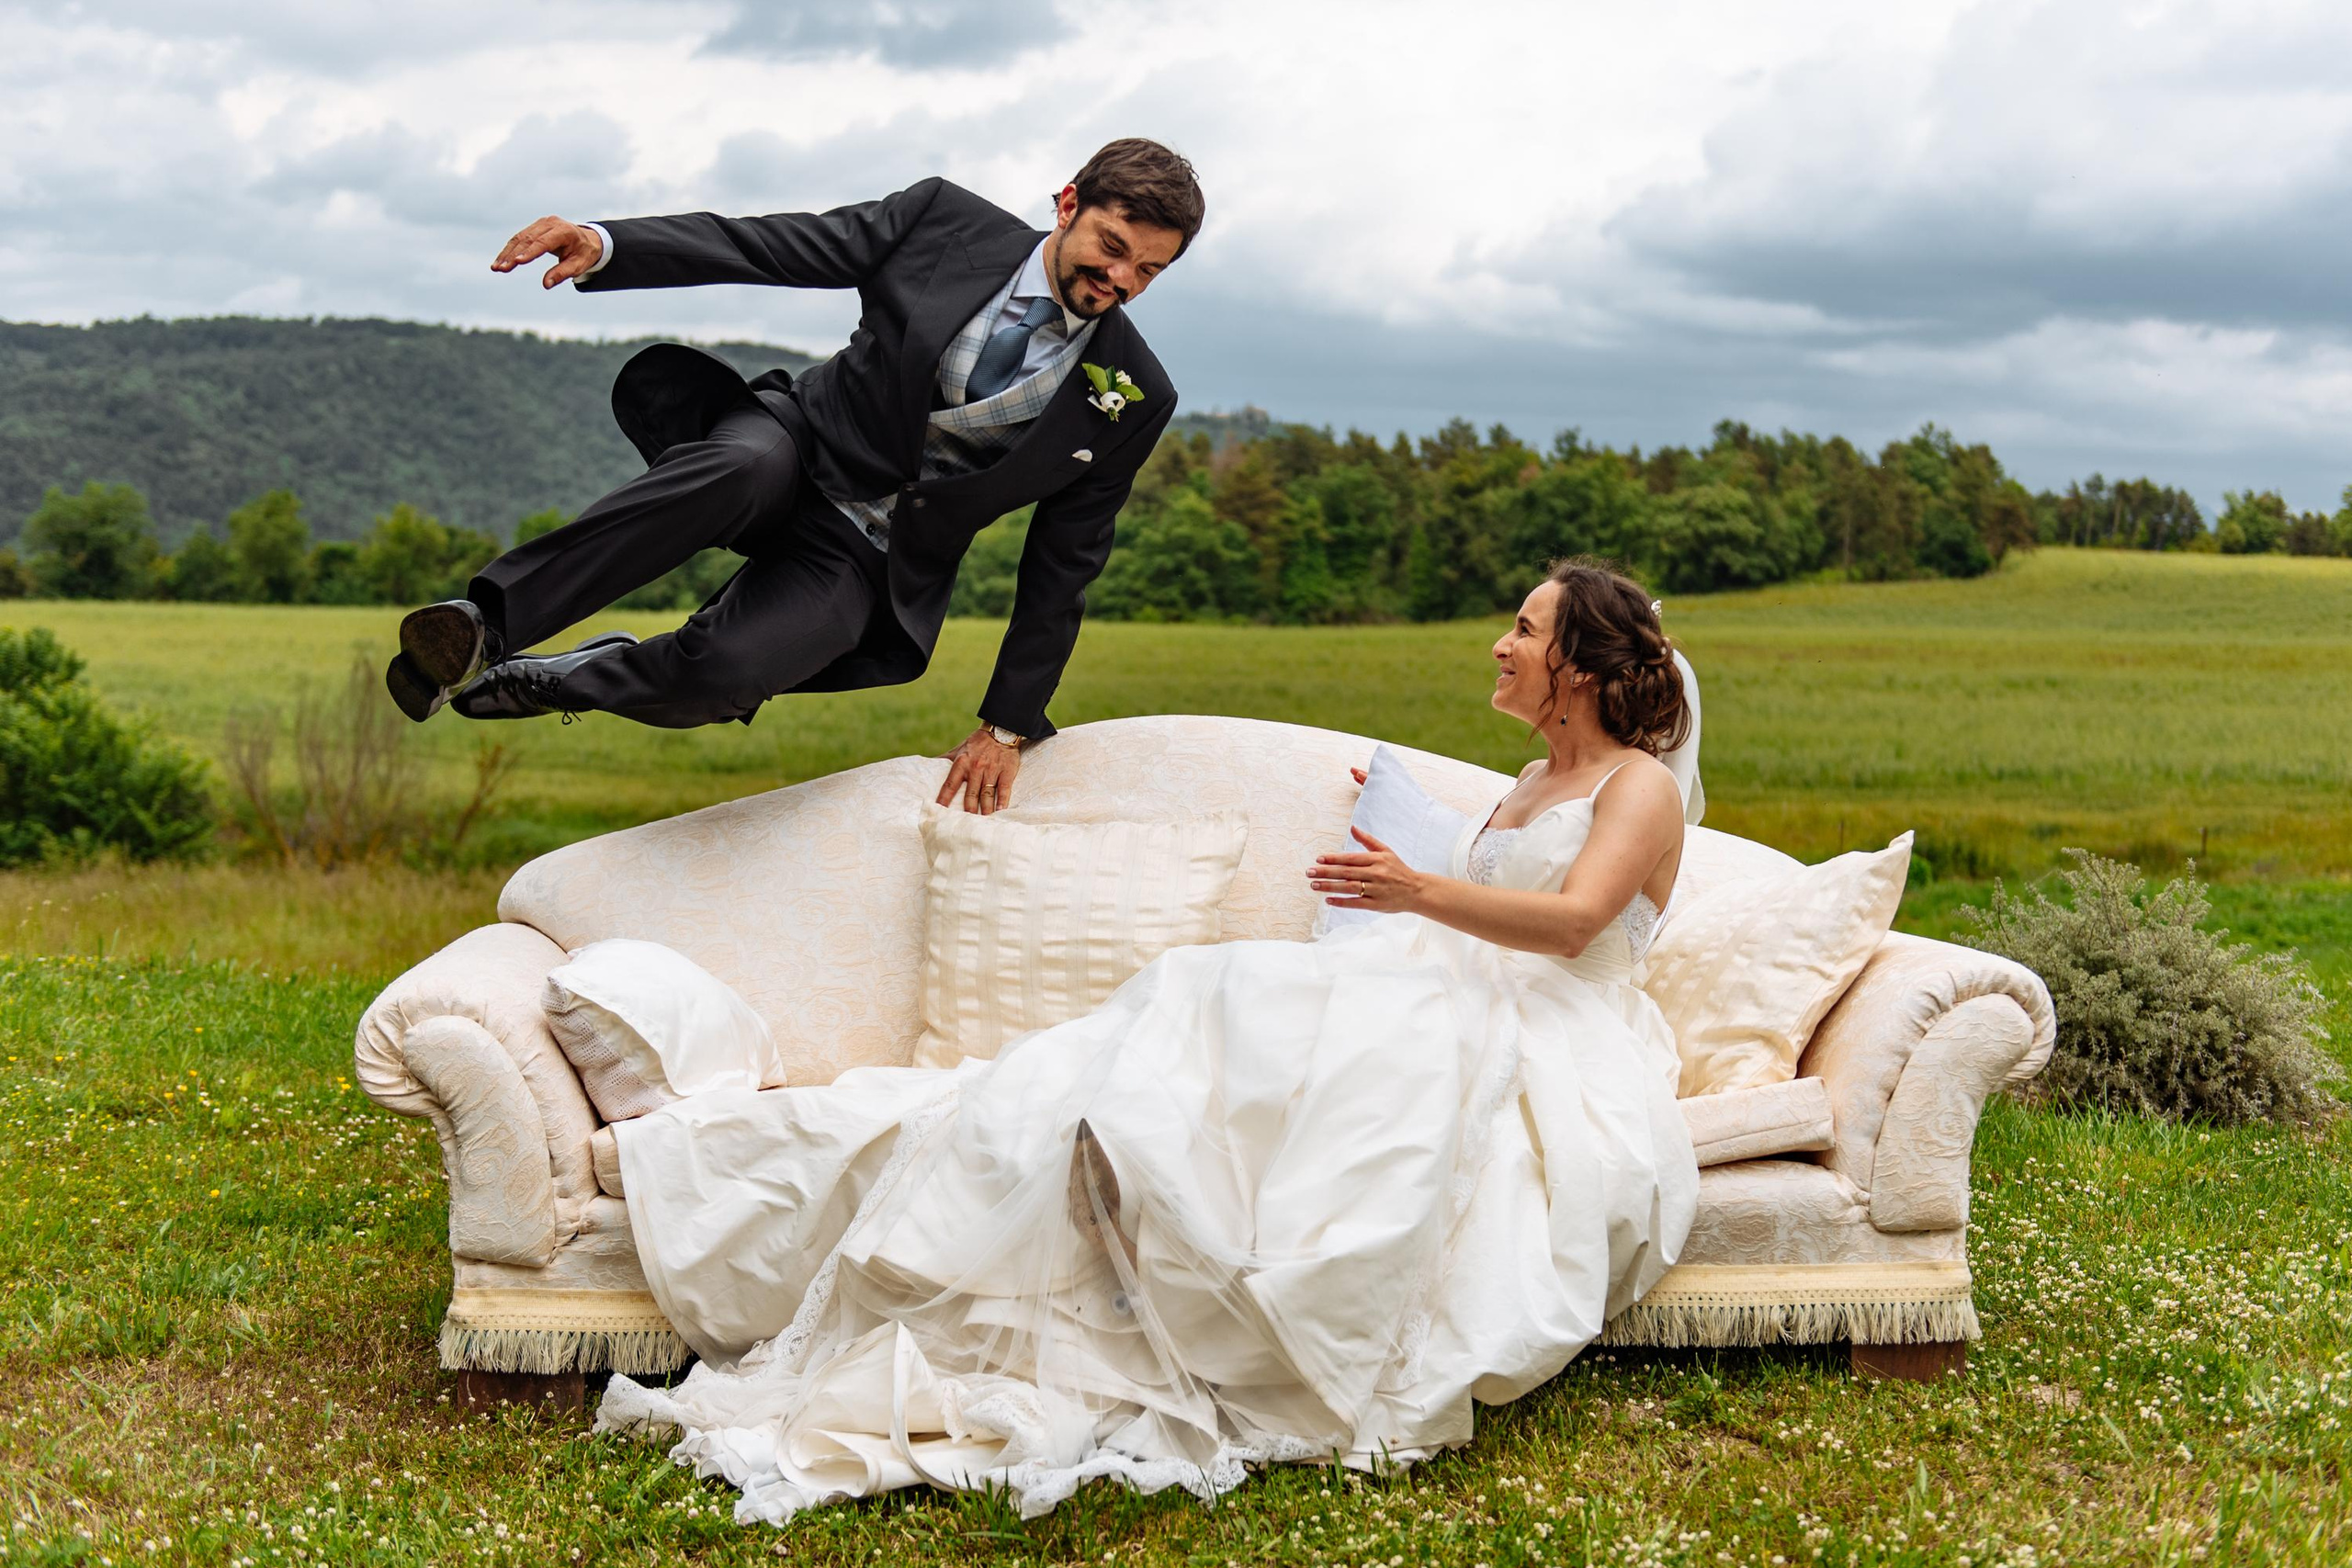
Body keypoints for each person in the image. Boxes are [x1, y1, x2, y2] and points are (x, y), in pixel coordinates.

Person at [593, 559, 1700, 1523]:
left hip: (1551, 1027)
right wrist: (1406, 839)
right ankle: (1084, 1186)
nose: (1500, 644)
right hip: (1443, 985)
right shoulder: (1529, 780)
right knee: (1195, 1006)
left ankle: (1220, 1284)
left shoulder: (1638, 784)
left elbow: (1571, 925)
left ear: (1585, 667)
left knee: (1315, 1063)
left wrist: (1413, 889)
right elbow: (1489, 883)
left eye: (1525, 629)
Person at [384, 140, 1201, 814]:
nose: (1121, 281)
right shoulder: (942, 221)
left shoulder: (1135, 393)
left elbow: (1065, 564)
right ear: (1066, 206)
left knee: (724, 673)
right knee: (733, 467)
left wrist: (1007, 724)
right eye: (1113, 248)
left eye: (1149, 272)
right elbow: (772, 244)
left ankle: (559, 676)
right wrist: (610, 243)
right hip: (796, 446)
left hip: (871, 553)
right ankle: (486, 624)